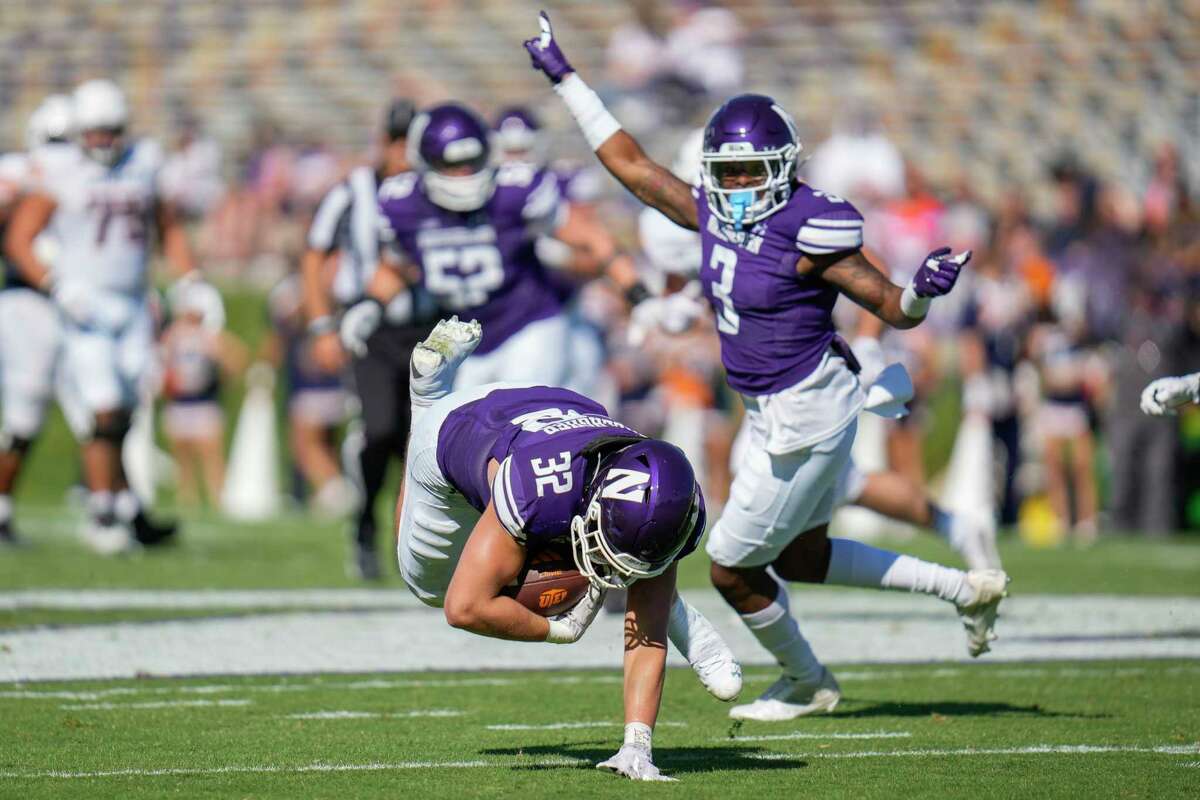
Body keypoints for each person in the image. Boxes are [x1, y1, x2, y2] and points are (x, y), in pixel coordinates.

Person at [526, 13, 1009, 722]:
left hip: (807, 412)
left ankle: (806, 678)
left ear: (785, 167)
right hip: (785, 409)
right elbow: (630, 165)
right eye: (729, 173)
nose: (741, 185)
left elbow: (888, 303)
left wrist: (918, 291)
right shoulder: (715, 216)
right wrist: (567, 79)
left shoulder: (809, 230)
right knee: (804, 557)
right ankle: (964, 589)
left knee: (730, 568)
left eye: (753, 171)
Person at [397, 317, 741, 782]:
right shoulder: (537, 490)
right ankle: (424, 398)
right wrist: (558, 632)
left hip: (551, 405)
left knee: (618, 566)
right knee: (430, 586)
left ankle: (682, 614)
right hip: (460, 425)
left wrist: (636, 745)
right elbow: (464, 607)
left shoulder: (668, 500)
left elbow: (646, 629)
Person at [639, 132, 1000, 571]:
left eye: (734, 176)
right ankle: (953, 529)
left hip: (800, 371)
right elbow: (691, 293)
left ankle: (762, 589)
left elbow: (875, 272)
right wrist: (667, 309)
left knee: (779, 506)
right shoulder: (687, 222)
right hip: (755, 372)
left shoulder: (784, 214)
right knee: (845, 487)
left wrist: (867, 344)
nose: (724, 189)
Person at [5, 79, 199, 552]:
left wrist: (191, 280)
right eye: (94, 132)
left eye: (111, 130)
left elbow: (166, 225)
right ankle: (104, 513)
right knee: (96, 407)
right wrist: (56, 283)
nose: (104, 142)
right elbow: (19, 238)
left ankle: (120, 507)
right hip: (79, 303)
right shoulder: (57, 173)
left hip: (132, 302)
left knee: (125, 409)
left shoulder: (144, 164)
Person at [340, 102, 640, 391]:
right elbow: (397, 266)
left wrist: (637, 292)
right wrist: (370, 305)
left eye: (471, 163)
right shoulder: (402, 203)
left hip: (526, 326)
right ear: (424, 163)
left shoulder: (511, 191)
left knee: (521, 422)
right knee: (459, 436)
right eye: (452, 165)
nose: (464, 174)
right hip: (462, 338)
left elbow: (592, 238)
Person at [302, 98, 436, 578]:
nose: (403, 152)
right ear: (384, 142)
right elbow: (314, 255)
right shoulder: (353, 190)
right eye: (397, 141)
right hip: (372, 331)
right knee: (378, 430)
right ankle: (364, 524)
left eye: (411, 142)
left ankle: (417, 544)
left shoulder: (435, 191)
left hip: (429, 329)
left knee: (422, 441)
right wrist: (321, 325)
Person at [0, 95, 74, 546]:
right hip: (30, 299)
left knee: (106, 403)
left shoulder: (94, 177)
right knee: (25, 411)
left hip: (82, 300)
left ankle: (119, 507)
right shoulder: (20, 173)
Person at [160, 281, 249, 507]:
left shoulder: (210, 336)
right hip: (179, 403)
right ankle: (186, 501)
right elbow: (160, 365)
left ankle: (217, 499)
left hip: (205, 402)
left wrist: (222, 376)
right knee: (183, 460)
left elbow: (237, 358)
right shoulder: (172, 335)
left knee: (212, 458)